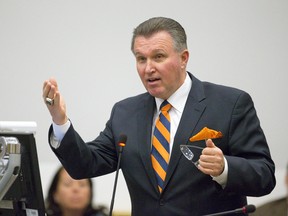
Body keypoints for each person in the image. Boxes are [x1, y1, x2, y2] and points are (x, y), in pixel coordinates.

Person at [42, 17, 276, 215]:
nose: (148, 68)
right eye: (141, 58)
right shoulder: (125, 112)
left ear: (183, 58)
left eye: (159, 56)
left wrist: (224, 167)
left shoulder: (230, 104)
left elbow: (264, 176)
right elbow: (85, 165)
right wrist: (60, 121)